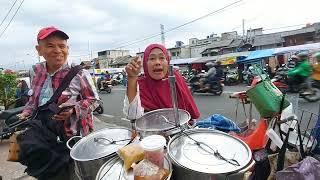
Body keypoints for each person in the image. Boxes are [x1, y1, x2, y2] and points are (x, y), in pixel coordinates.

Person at [16, 26, 100, 180]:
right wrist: (26, 113)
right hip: (45, 134)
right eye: (50, 45)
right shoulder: (35, 71)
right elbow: (33, 100)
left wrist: (74, 110)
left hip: (73, 137)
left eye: (62, 46)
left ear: (67, 48)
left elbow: (94, 100)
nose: (57, 50)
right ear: (39, 50)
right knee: (48, 172)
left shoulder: (79, 73)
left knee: (74, 174)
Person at [123, 44, 200, 120]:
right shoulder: (140, 85)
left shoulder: (175, 78)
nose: (157, 62)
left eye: (162, 58)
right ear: (145, 64)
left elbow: (190, 112)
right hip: (152, 131)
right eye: (152, 58)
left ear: (168, 61)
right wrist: (132, 78)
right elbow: (132, 116)